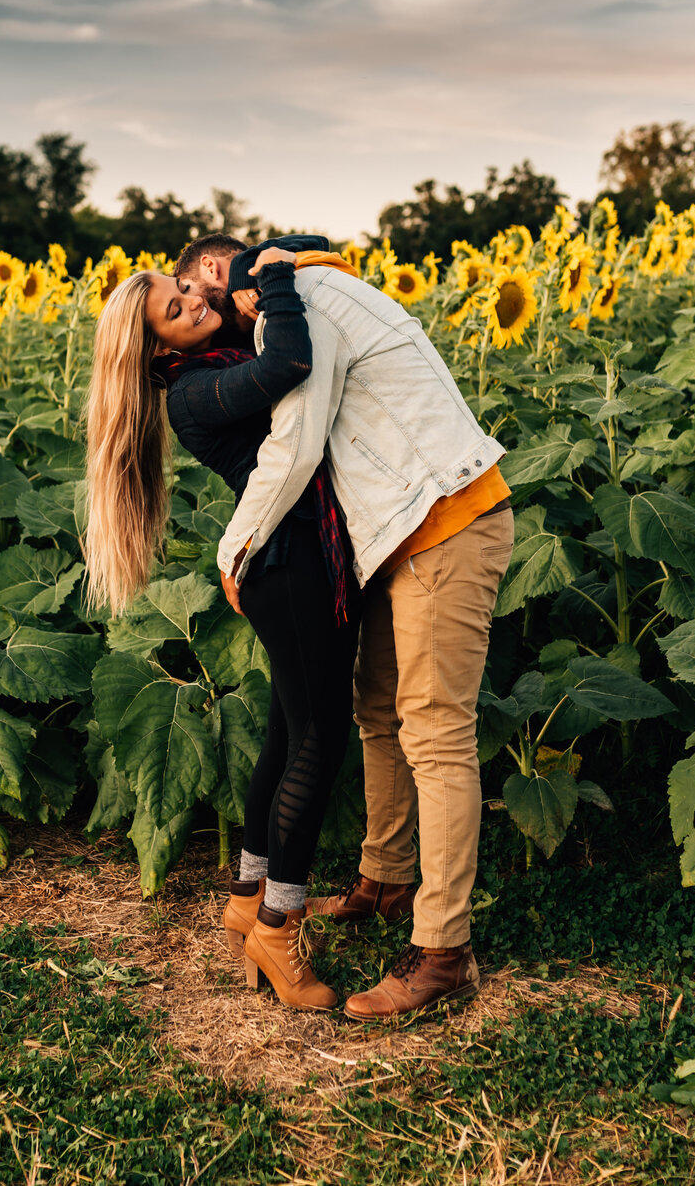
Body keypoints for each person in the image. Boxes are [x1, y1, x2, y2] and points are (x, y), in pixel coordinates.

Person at [175, 237, 514, 1021]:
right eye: (187, 294)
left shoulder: (302, 306)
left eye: (207, 283)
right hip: (403, 529)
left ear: (241, 269)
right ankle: (387, 879)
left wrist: (236, 545)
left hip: (444, 522)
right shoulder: (306, 293)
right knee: (375, 711)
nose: (208, 301)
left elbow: (294, 445)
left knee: (434, 731)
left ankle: (443, 950)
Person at [82, 247, 361, 1012]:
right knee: (321, 737)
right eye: (175, 311)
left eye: (182, 288)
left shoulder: (212, 356)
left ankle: (247, 894)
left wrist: (262, 268)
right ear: (157, 351)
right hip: (291, 563)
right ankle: (278, 926)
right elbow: (291, 366)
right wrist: (272, 282)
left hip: (289, 559)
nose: (194, 299)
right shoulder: (194, 393)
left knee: (286, 730)